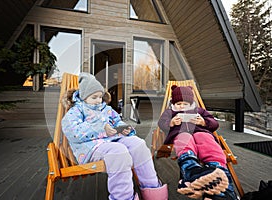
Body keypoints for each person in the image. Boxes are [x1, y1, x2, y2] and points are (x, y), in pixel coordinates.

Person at [61, 72, 168, 200]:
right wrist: (102, 129)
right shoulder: (76, 111)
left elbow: (117, 121)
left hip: (112, 141)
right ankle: (123, 197)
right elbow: (74, 132)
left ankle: (153, 190)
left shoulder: (106, 109)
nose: (99, 100)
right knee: (119, 152)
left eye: (100, 97)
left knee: (137, 144)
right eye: (94, 97)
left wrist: (124, 129)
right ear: (84, 97)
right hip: (91, 148)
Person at [158, 85, 238, 200]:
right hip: (181, 133)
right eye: (178, 103)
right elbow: (162, 123)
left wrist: (204, 122)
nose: (181, 106)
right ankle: (192, 169)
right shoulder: (169, 112)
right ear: (173, 103)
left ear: (191, 103)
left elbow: (214, 123)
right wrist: (170, 123)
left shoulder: (199, 110)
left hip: (200, 132)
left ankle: (220, 175)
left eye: (185, 104)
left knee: (206, 140)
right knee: (184, 138)